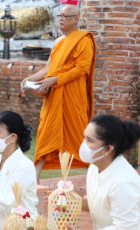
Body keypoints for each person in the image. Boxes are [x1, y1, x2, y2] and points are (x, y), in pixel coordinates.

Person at [65, 114, 140, 230]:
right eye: (84, 138)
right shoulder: (94, 169)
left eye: (89, 141)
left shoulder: (123, 182)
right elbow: (97, 203)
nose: (83, 144)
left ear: (107, 149)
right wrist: (69, 200)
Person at [20, 5, 96, 182]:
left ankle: (95, 176)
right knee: (46, 133)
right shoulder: (58, 41)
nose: (61, 19)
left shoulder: (83, 40)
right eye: (60, 16)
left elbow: (81, 69)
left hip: (73, 96)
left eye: (66, 16)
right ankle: (34, 180)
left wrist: (55, 80)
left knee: (80, 138)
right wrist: (29, 79)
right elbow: (49, 69)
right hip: (54, 97)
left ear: (76, 19)